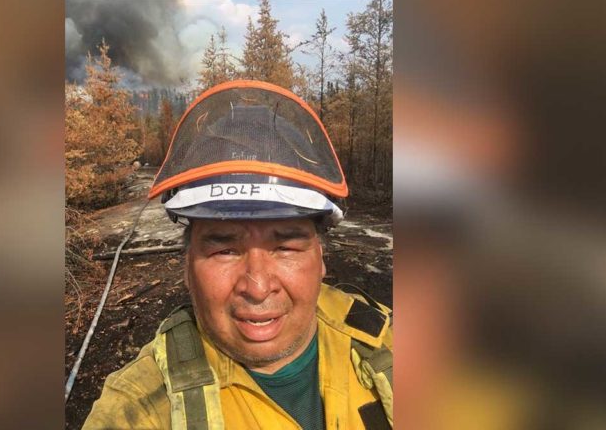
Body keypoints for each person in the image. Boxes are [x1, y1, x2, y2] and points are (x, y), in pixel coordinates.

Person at [82, 80, 393, 430]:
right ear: (187, 267)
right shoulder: (139, 406)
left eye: (285, 247)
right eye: (225, 250)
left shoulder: (392, 343)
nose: (258, 288)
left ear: (321, 259)